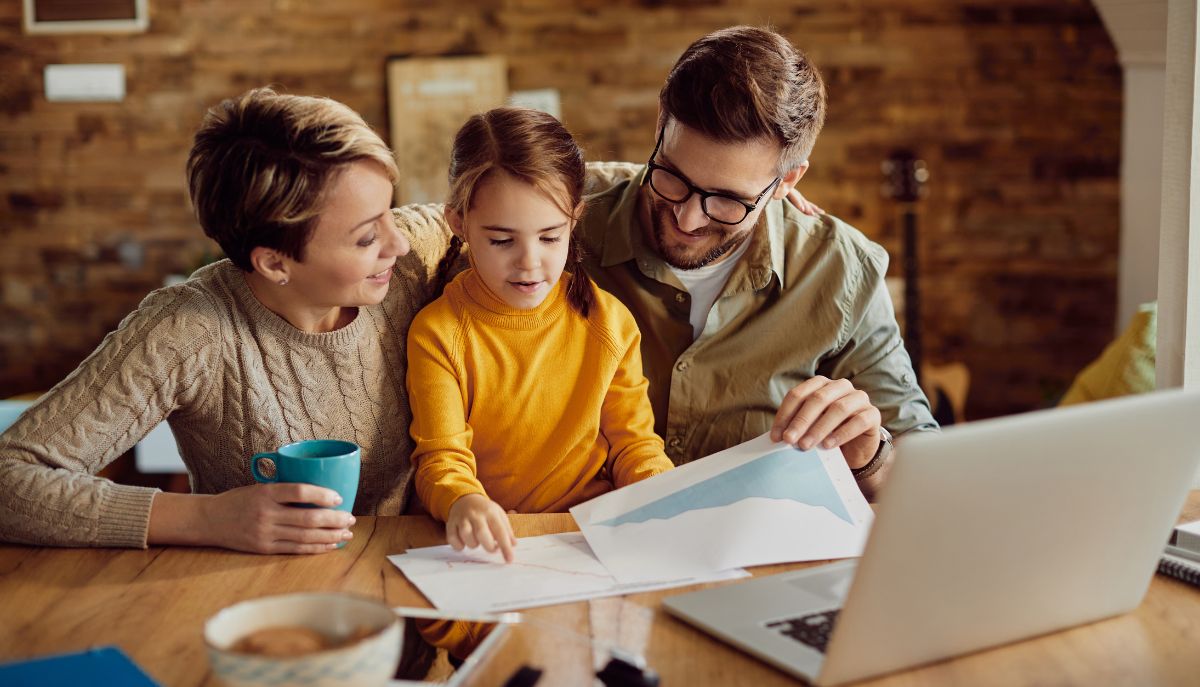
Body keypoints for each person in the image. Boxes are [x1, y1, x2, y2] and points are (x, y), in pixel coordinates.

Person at [0, 87, 450, 551]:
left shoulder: (415, 257)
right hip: (252, 584)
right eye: (366, 238)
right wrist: (209, 518)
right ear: (274, 263)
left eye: (390, 212)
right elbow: (8, 480)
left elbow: (489, 210)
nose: (398, 243)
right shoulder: (188, 328)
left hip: (416, 568)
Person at [574, 26, 938, 497]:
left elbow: (926, 470)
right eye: (672, 176)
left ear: (788, 182)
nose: (687, 218)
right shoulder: (560, 218)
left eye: (728, 200)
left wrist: (871, 454)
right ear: (660, 123)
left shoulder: (841, 270)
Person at [407, 107, 675, 566]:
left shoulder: (610, 322)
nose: (529, 263)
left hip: (589, 538)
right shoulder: (439, 334)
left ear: (575, 218)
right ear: (459, 223)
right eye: (501, 241)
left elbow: (635, 445)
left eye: (550, 238)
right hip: (490, 549)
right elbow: (441, 459)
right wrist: (463, 502)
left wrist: (664, 492)